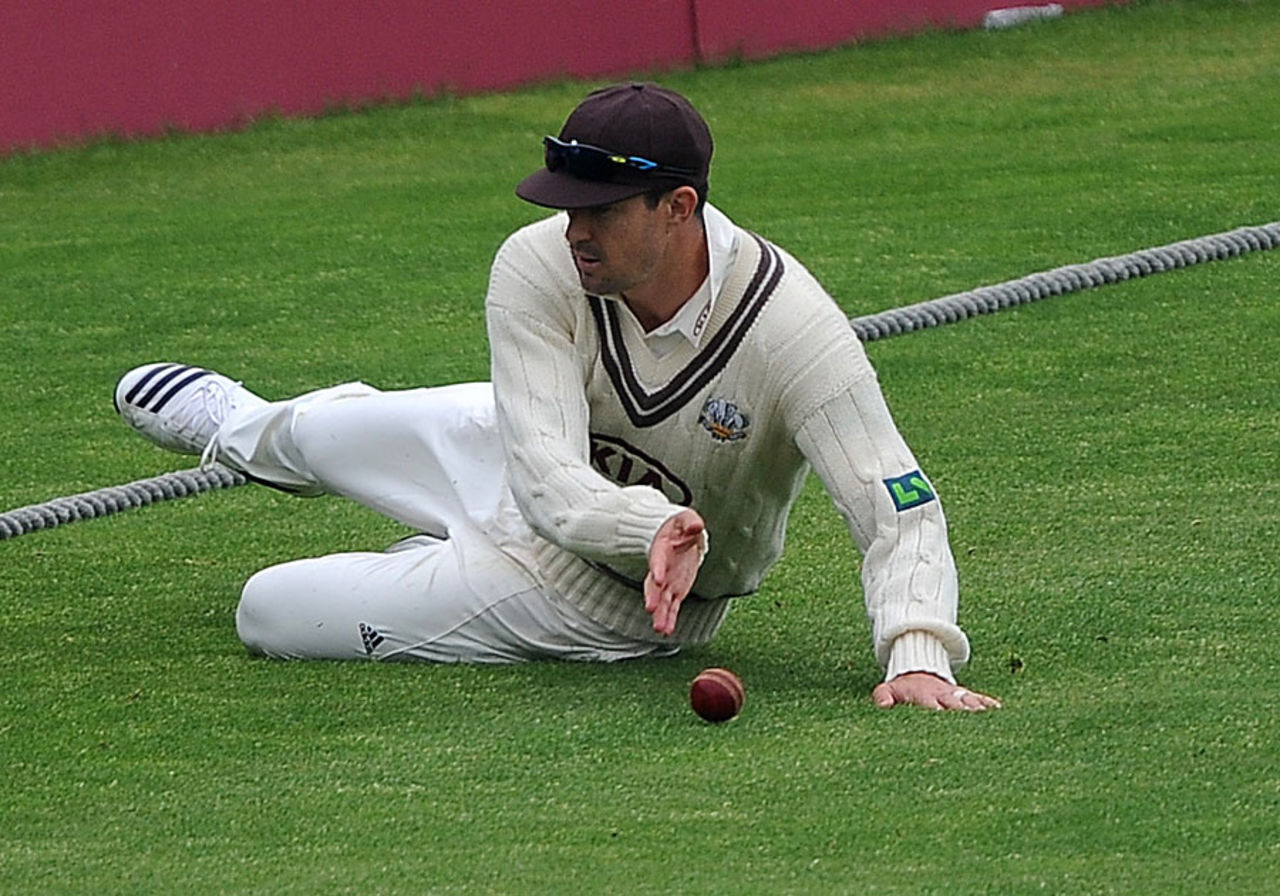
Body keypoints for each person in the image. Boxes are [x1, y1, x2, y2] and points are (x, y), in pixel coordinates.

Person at [114, 82, 1000, 712]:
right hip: (534, 463)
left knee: (268, 609)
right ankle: (238, 426)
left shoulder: (795, 330)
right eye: (567, 205)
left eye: (601, 209)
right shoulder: (538, 262)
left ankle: (419, 565)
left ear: (678, 206)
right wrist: (646, 522)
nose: (573, 229)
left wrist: (916, 652)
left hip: (607, 601)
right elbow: (541, 470)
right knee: (318, 428)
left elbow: (900, 506)